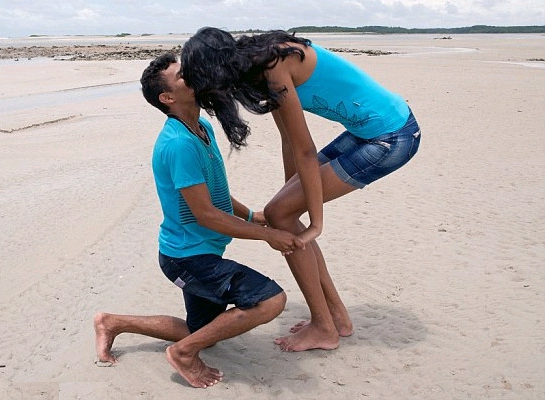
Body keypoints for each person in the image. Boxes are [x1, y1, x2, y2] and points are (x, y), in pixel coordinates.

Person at [180, 27, 421, 352]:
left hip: (392, 136)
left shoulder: (273, 63)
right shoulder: (256, 68)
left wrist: (314, 222)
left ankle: (324, 328)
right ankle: (337, 318)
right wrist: (288, 200)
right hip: (369, 131)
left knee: (283, 213)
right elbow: (289, 141)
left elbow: (306, 149)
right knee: (282, 211)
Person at [94, 52, 304, 388]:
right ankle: (183, 354)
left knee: (202, 331)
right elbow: (204, 214)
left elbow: (214, 194)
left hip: (197, 252)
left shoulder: (201, 127)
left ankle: (112, 322)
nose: (191, 74)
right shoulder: (178, 144)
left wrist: (254, 216)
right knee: (270, 299)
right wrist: (267, 236)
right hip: (187, 259)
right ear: (168, 98)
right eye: (181, 75)